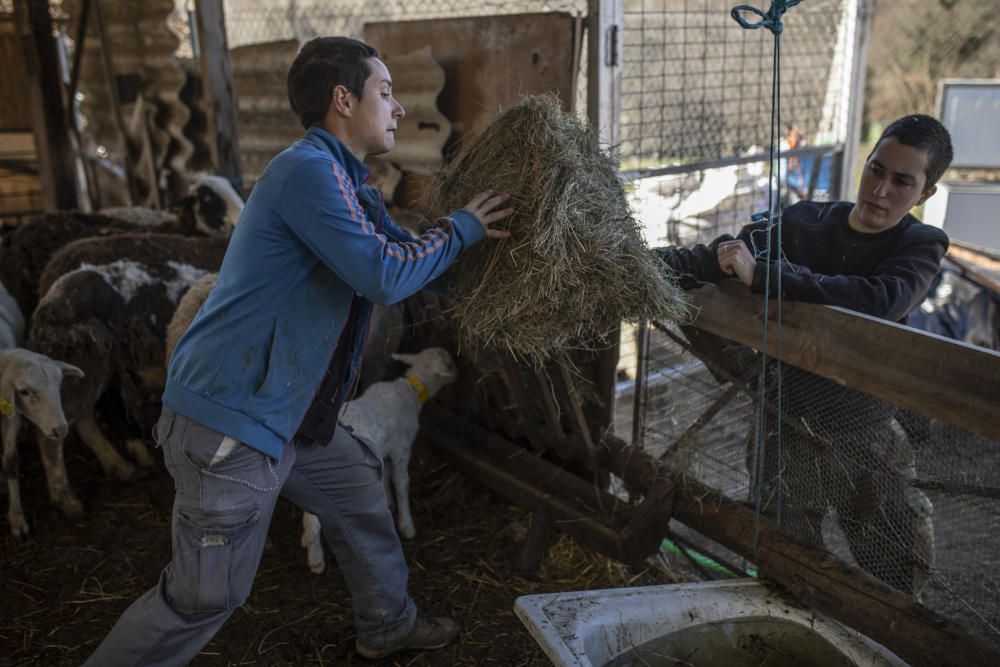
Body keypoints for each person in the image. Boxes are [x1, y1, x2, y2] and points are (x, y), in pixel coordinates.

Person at [85, 36, 513, 665]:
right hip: (231, 424)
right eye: (386, 92)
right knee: (201, 600)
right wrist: (461, 228)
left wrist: (493, 254)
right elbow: (386, 273)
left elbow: (408, 255)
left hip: (289, 414)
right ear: (343, 99)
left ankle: (388, 624)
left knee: (358, 494)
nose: (398, 110)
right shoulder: (305, 171)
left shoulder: (348, 187)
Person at [655, 114, 954, 596]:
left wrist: (768, 278)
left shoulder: (919, 244)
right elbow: (720, 256)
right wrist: (631, 264)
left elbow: (881, 299)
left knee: (899, 570)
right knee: (783, 562)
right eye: (875, 170)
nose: (880, 190)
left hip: (866, 430)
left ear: (924, 195)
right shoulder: (803, 221)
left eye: (902, 181)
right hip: (785, 426)